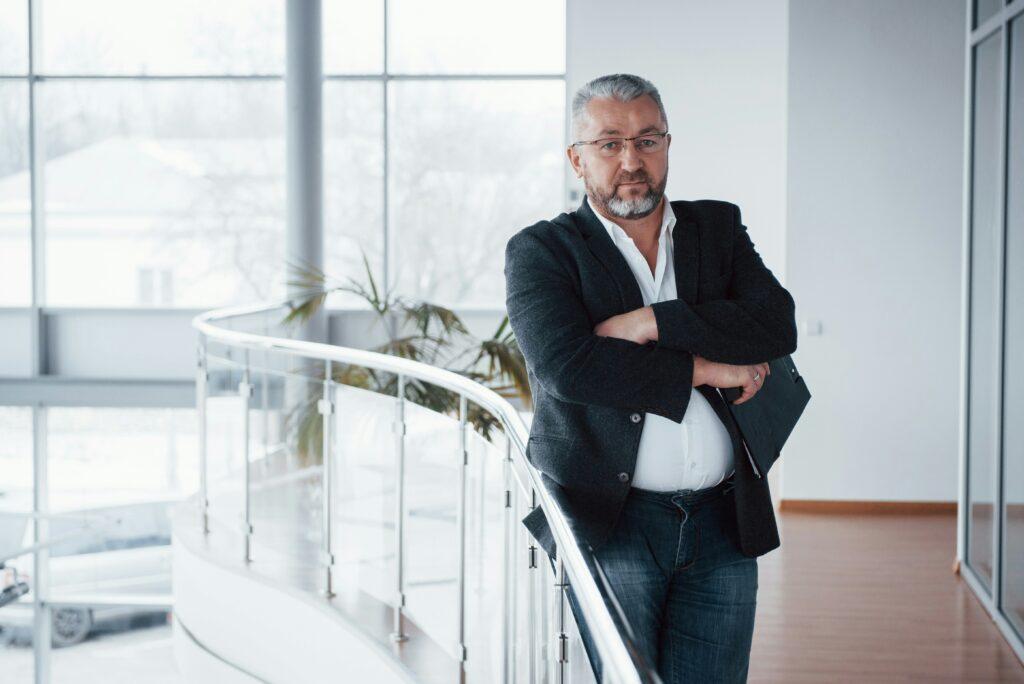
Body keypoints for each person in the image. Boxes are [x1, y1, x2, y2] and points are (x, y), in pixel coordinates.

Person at [503, 73, 797, 683]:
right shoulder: (542, 251)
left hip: (724, 521)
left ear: (667, 144)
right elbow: (568, 367)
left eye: (647, 140)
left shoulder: (717, 229)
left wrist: (650, 322)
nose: (631, 161)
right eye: (609, 144)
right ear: (577, 159)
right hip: (612, 522)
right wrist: (706, 367)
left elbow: (775, 323)